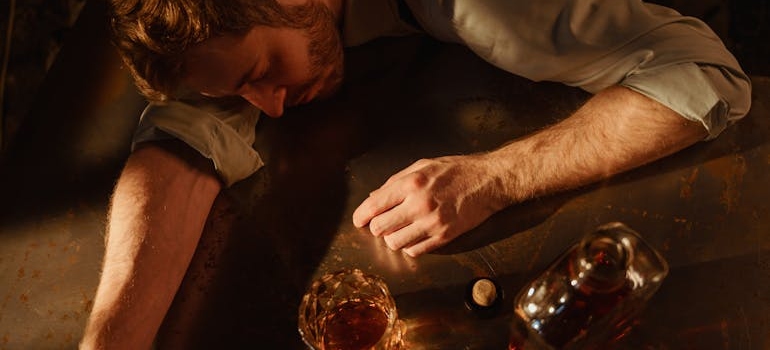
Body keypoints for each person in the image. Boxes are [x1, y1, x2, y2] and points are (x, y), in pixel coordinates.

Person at [80, 0, 751, 348]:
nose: (269, 107)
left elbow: (704, 76)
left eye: (263, 73)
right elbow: (180, 139)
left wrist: (496, 177)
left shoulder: (489, 12)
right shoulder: (244, 22)